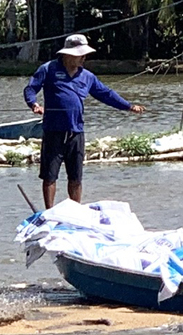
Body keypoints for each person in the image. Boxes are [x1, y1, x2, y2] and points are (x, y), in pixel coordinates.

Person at [24, 33, 145, 207]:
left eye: (84, 55)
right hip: (53, 131)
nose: (83, 58)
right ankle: (49, 212)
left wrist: (128, 106)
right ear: (67, 54)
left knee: (76, 178)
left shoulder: (87, 76)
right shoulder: (48, 69)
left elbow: (106, 94)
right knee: (49, 176)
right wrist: (34, 104)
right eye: (80, 55)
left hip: (76, 133)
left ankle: (76, 212)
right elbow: (30, 88)